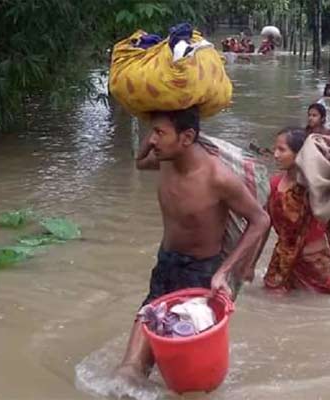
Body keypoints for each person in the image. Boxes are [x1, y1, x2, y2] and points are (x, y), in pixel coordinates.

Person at [116, 106, 271, 383]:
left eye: (160, 133)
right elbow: (139, 162)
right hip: (166, 262)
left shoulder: (217, 177)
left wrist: (224, 272)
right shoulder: (164, 159)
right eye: (152, 132)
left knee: (189, 376)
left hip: (201, 274)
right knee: (129, 369)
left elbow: (260, 219)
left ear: (186, 137)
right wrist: (153, 125)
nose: (152, 140)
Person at [264, 128, 330, 293]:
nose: (275, 155)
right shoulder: (274, 184)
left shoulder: (318, 188)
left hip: (315, 264)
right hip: (282, 261)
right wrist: (250, 264)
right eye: (275, 149)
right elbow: (264, 226)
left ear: (299, 154)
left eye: (282, 150)